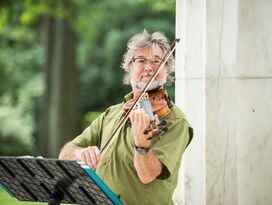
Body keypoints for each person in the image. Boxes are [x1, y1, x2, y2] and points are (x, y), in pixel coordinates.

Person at [59, 30, 193, 205]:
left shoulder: (174, 121)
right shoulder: (113, 113)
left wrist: (142, 143)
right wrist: (79, 152)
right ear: (130, 67)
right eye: (141, 61)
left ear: (166, 70)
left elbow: (147, 175)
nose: (149, 67)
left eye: (156, 61)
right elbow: (65, 154)